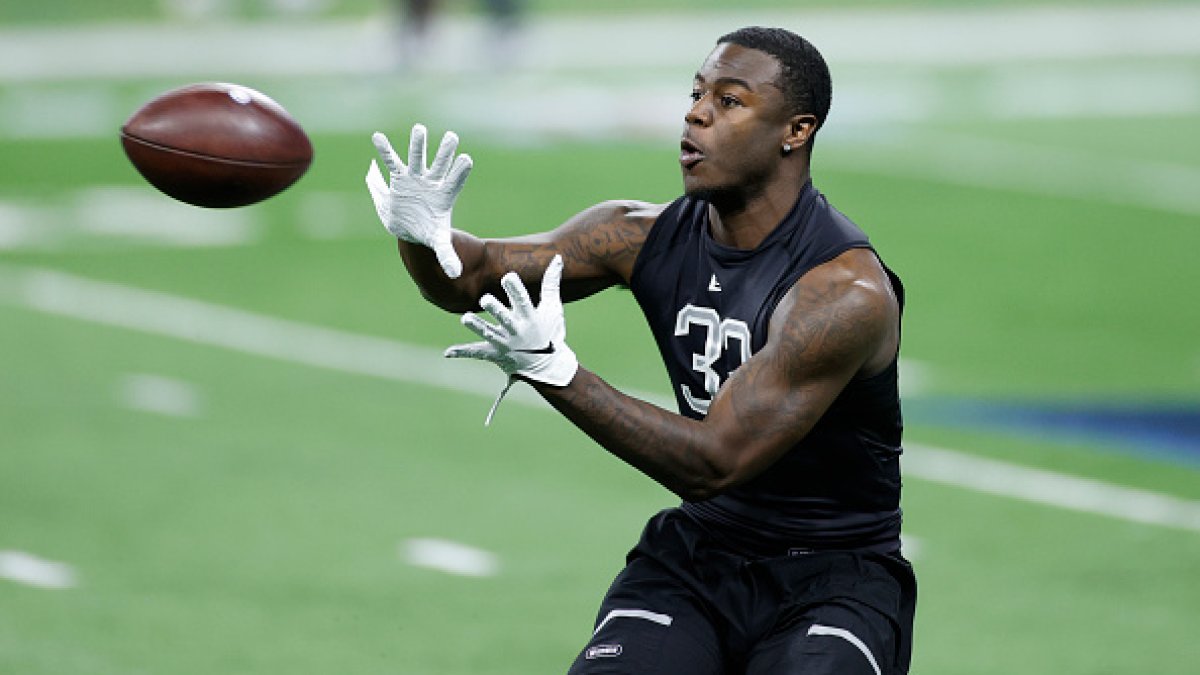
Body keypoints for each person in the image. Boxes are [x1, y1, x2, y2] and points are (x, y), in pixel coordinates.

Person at [365, 26, 916, 675]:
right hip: (701, 553)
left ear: (795, 131)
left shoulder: (841, 294)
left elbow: (714, 460)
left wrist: (556, 371)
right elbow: (471, 278)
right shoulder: (636, 235)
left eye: (730, 101)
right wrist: (421, 233)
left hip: (834, 575)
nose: (696, 113)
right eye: (696, 93)